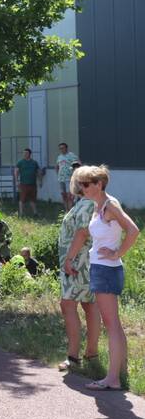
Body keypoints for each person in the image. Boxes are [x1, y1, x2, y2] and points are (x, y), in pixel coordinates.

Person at [76, 165, 140, 391]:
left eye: (84, 184)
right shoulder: (100, 205)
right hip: (104, 268)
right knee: (115, 325)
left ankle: (112, 379)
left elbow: (133, 230)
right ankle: (118, 373)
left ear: (98, 184)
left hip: (106, 269)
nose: (80, 188)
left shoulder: (109, 205)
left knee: (111, 325)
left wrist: (116, 253)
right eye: (80, 184)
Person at [57, 167, 101, 372]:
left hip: (78, 264)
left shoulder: (85, 205)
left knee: (67, 305)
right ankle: (92, 353)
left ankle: (73, 356)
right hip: (87, 262)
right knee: (89, 305)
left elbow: (83, 233)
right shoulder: (92, 204)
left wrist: (69, 258)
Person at [14, 148, 43, 217]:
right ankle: (21, 214)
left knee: (33, 199)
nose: (25, 154)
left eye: (26, 153)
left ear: (30, 154)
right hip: (23, 184)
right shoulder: (20, 162)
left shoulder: (34, 162)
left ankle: (35, 213)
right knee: (22, 199)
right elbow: (16, 172)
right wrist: (16, 181)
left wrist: (40, 181)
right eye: (24, 153)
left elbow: (38, 172)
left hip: (33, 184)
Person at [55, 143, 80, 211]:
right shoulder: (59, 157)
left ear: (66, 148)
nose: (61, 149)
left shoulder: (71, 155)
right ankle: (66, 210)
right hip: (61, 179)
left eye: (63, 148)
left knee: (70, 196)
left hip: (69, 179)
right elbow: (57, 166)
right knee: (64, 195)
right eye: (60, 148)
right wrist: (58, 174)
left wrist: (75, 174)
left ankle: (70, 210)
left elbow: (78, 164)